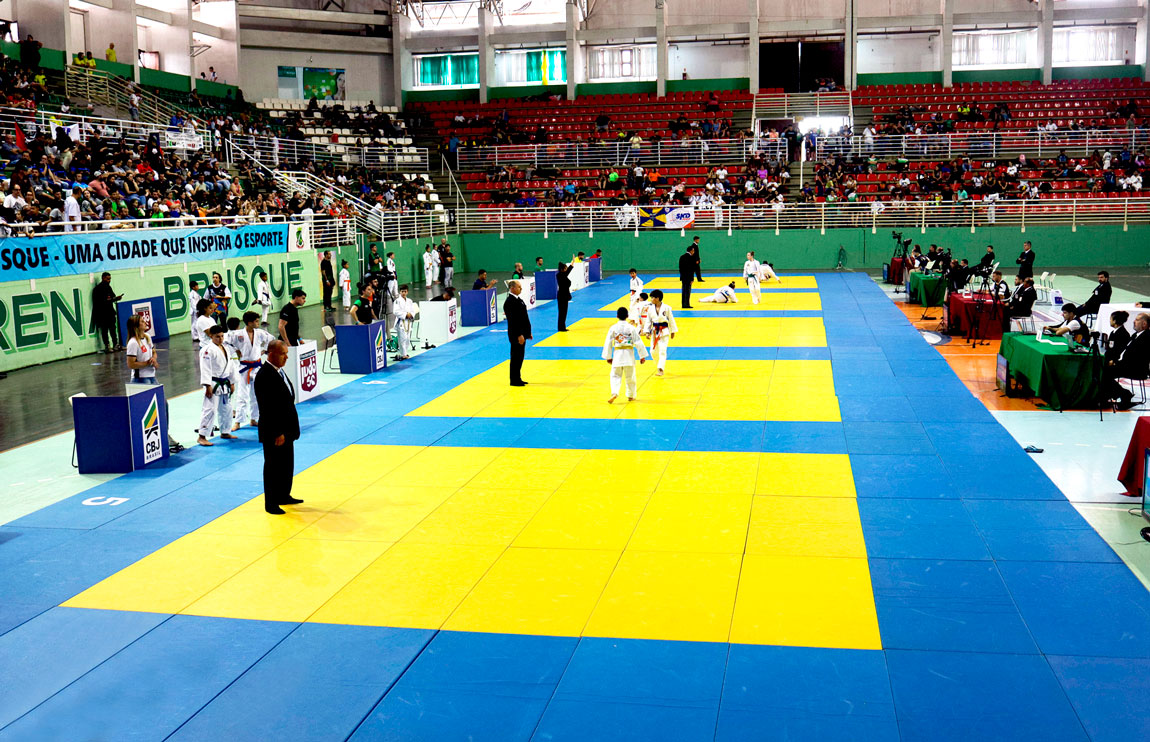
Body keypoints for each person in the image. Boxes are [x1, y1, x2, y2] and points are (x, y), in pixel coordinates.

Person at [254, 340, 304, 514]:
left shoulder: (279, 372)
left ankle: (284, 495)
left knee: (286, 464)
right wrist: (277, 432)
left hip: (287, 429)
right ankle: (271, 502)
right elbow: (267, 408)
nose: (287, 357)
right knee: (273, 466)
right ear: (271, 354)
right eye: (283, 354)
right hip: (274, 431)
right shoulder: (264, 376)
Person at [230, 311, 274, 428]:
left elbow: (271, 339)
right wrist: (235, 350)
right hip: (244, 368)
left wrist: (265, 349)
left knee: (256, 394)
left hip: (257, 367)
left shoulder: (259, 333)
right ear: (249, 323)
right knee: (242, 395)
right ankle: (238, 422)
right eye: (256, 321)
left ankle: (254, 419)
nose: (258, 323)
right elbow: (226, 342)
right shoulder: (238, 334)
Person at [197, 324, 238, 446]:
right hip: (213, 383)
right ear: (211, 336)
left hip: (225, 382)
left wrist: (232, 382)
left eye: (221, 336)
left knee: (227, 408)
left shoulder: (225, 348)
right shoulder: (207, 350)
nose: (220, 339)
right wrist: (207, 385)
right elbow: (205, 368)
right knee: (210, 409)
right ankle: (202, 436)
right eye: (217, 337)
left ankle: (225, 431)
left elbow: (231, 366)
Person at [1102, 312, 1150, 410]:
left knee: (1106, 372)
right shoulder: (1135, 335)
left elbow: (1136, 358)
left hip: (1136, 368)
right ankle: (1112, 394)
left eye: (1137, 320)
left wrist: (1116, 363)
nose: (1133, 322)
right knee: (1103, 368)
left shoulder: (1147, 337)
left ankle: (1123, 394)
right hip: (1126, 364)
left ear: (1144, 324)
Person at [603, 306, 648, 403]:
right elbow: (638, 342)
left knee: (615, 375)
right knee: (630, 377)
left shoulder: (613, 328)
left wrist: (608, 357)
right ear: (627, 316)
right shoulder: (631, 328)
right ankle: (631, 396)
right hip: (629, 355)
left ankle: (614, 393)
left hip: (617, 354)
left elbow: (608, 343)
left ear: (617, 316)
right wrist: (642, 356)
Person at [642, 289, 677, 376]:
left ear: (657, 298)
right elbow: (648, 321)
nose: (651, 299)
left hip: (664, 331)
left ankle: (660, 368)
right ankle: (659, 364)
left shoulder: (667, 308)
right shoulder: (650, 309)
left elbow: (671, 320)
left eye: (652, 298)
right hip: (654, 331)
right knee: (652, 351)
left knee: (662, 350)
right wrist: (647, 331)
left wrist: (673, 331)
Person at [504, 280, 532, 386]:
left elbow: (524, 318)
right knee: (515, 357)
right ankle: (514, 380)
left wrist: (527, 333)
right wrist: (519, 334)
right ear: (512, 288)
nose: (521, 289)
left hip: (522, 334)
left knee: (520, 357)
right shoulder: (509, 302)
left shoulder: (519, 300)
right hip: (516, 335)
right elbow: (513, 321)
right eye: (519, 287)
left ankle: (518, 377)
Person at [91, 272, 123, 354]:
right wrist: (111, 299)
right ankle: (107, 346)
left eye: (110, 279)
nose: (109, 280)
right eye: (108, 279)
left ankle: (115, 344)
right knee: (104, 330)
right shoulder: (97, 289)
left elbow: (112, 297)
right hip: (102, 313)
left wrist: (117, 298)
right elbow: (99, 302)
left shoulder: (109, 287)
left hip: (110, 312)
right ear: (103, 278)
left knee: (113, 329)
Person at [125, 314, 158, 384]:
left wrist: (154, 359)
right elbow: (130, 364)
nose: (145, 323)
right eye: (142, 322)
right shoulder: (133, 343)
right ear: (136, 326)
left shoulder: (147, 337)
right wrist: (147, 363)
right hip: (140, 378)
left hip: (152, 375)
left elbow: (154, 352)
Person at [393, 285, 417, 360]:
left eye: (405, 291)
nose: (403, 293)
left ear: (407, 292)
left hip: (408, 321)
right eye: (402, 291)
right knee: (402, 338)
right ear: (400, 292)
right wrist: (406, 314)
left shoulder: (409, 301)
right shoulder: (397, 301)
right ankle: (403, 354)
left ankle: (405, 352)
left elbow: (413, 311)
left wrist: (411, 314)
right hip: (401, 321)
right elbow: (395, 311)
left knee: (408, 338)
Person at [555, 261, 575, 331]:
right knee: (562, 312)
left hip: (564, 296)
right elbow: (566, 273)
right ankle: (561, 327)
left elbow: (568, 271)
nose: (566, 270)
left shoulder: (562, 275)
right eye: (565, 268)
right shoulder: (560, 275)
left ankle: (562, 326)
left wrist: (572, 264)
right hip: (562, 296)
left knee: (564, 312)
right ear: (562, 269)